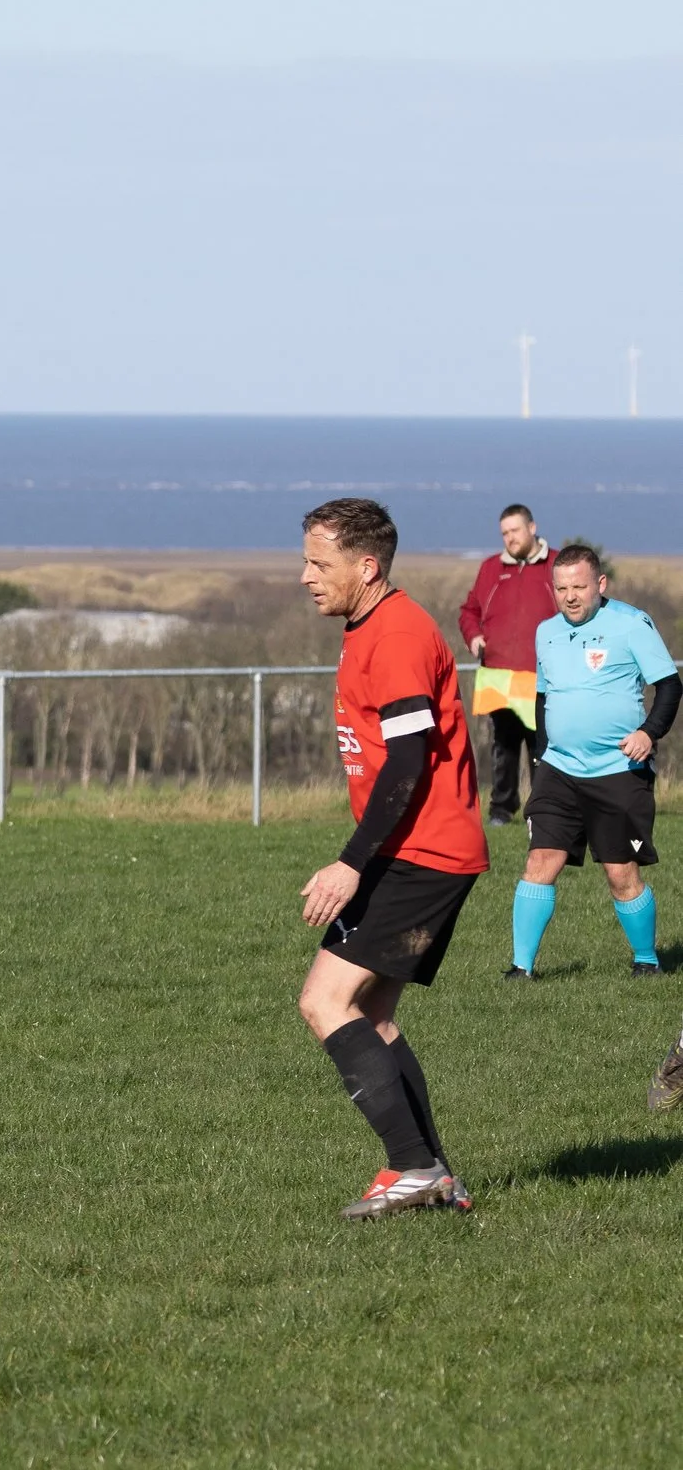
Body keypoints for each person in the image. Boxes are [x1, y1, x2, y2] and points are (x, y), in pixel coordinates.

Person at [296, 498, 489, 1220]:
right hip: (419, 849)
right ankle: (435, 1176)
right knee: (371, 1013)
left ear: (366, 566)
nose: (306, 575)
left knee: (323, 1001)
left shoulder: (400, 631)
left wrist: (351, 863)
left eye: (321, 562)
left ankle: (412, 1166)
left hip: (422, 851)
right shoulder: (367, 625)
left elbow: (408, 757)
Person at [507, 540, 680, 979]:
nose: (570, 596)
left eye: (579, 587)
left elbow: (669, 686)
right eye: (561, 588)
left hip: (618, 772)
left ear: (599, 584)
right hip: (560, 771)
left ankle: (646, 961)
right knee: (540, 860)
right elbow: (543, 697)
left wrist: (648, 732)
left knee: (620, 872)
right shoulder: (546, 631)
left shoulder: (631, 624)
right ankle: (520, 969)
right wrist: (544, 755)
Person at [458, 504, 558, 824]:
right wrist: (474, 637)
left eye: (515, 530)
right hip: (498, 675)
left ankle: (543, 811)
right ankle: (501, 810)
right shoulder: (490, 568)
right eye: (504, 533)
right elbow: (469, 611)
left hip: (541, 675)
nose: (510, 538)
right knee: (503, 748)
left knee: (543, 747)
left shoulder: (555, 565)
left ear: (532, 527)